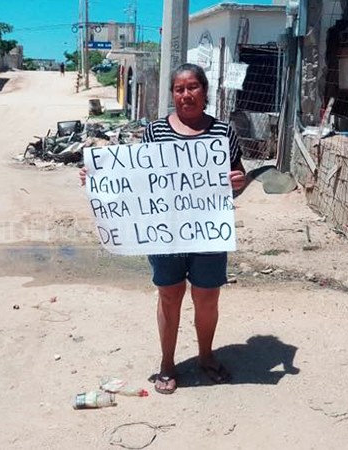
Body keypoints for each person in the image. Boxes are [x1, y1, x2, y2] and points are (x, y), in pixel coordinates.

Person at [79, 63, 246, 394]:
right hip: (164, 232)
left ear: (205, 91)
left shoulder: (223, 133)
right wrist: (98, 177)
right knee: (169, 295)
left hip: (208, 232)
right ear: (173, 94)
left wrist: (238, 183)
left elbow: (237, 180)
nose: (186, 94)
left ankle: (206, 356)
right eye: (179, 89)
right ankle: (167, 364)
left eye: (193, 87)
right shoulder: (156, 131)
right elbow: (139, 181)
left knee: (207, 297)